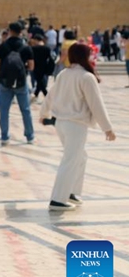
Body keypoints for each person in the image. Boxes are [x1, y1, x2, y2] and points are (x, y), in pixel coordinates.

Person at [40, 43, 116, 211]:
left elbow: (50, 95)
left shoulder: (63, 74)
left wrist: (43, 113)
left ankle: (72, 192)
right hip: (75, 125)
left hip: (61, 123)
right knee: (70, 160)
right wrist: (107, 128)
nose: (91, 57)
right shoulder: (86, 77)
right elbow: (96, 104)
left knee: (80, 157)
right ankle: (58, 200)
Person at [0, 22, 35, 145]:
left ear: (10, 31)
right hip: (21, 83)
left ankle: (5, 136)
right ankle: (29, 136)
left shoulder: (3, 47)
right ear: (21, 32)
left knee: (4, 110)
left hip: (5, 83)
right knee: (25, 110)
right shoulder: (26, 47)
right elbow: (31, 67)